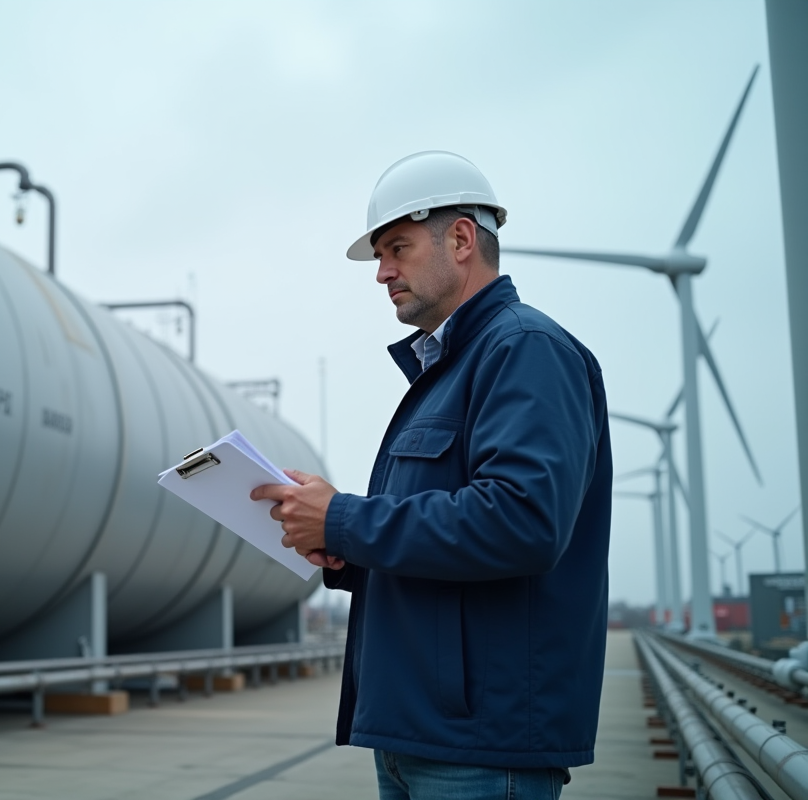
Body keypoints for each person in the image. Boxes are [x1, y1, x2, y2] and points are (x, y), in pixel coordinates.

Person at [251, 151, 612, 799]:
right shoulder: (452, 370)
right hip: (416, 733)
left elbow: (522, 522)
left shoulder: (525, 349)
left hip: (481, 744)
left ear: (463, 238)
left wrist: (345, 516)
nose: (383, 272)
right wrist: (344, 551)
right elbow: (447, 542)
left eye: (398, 247)